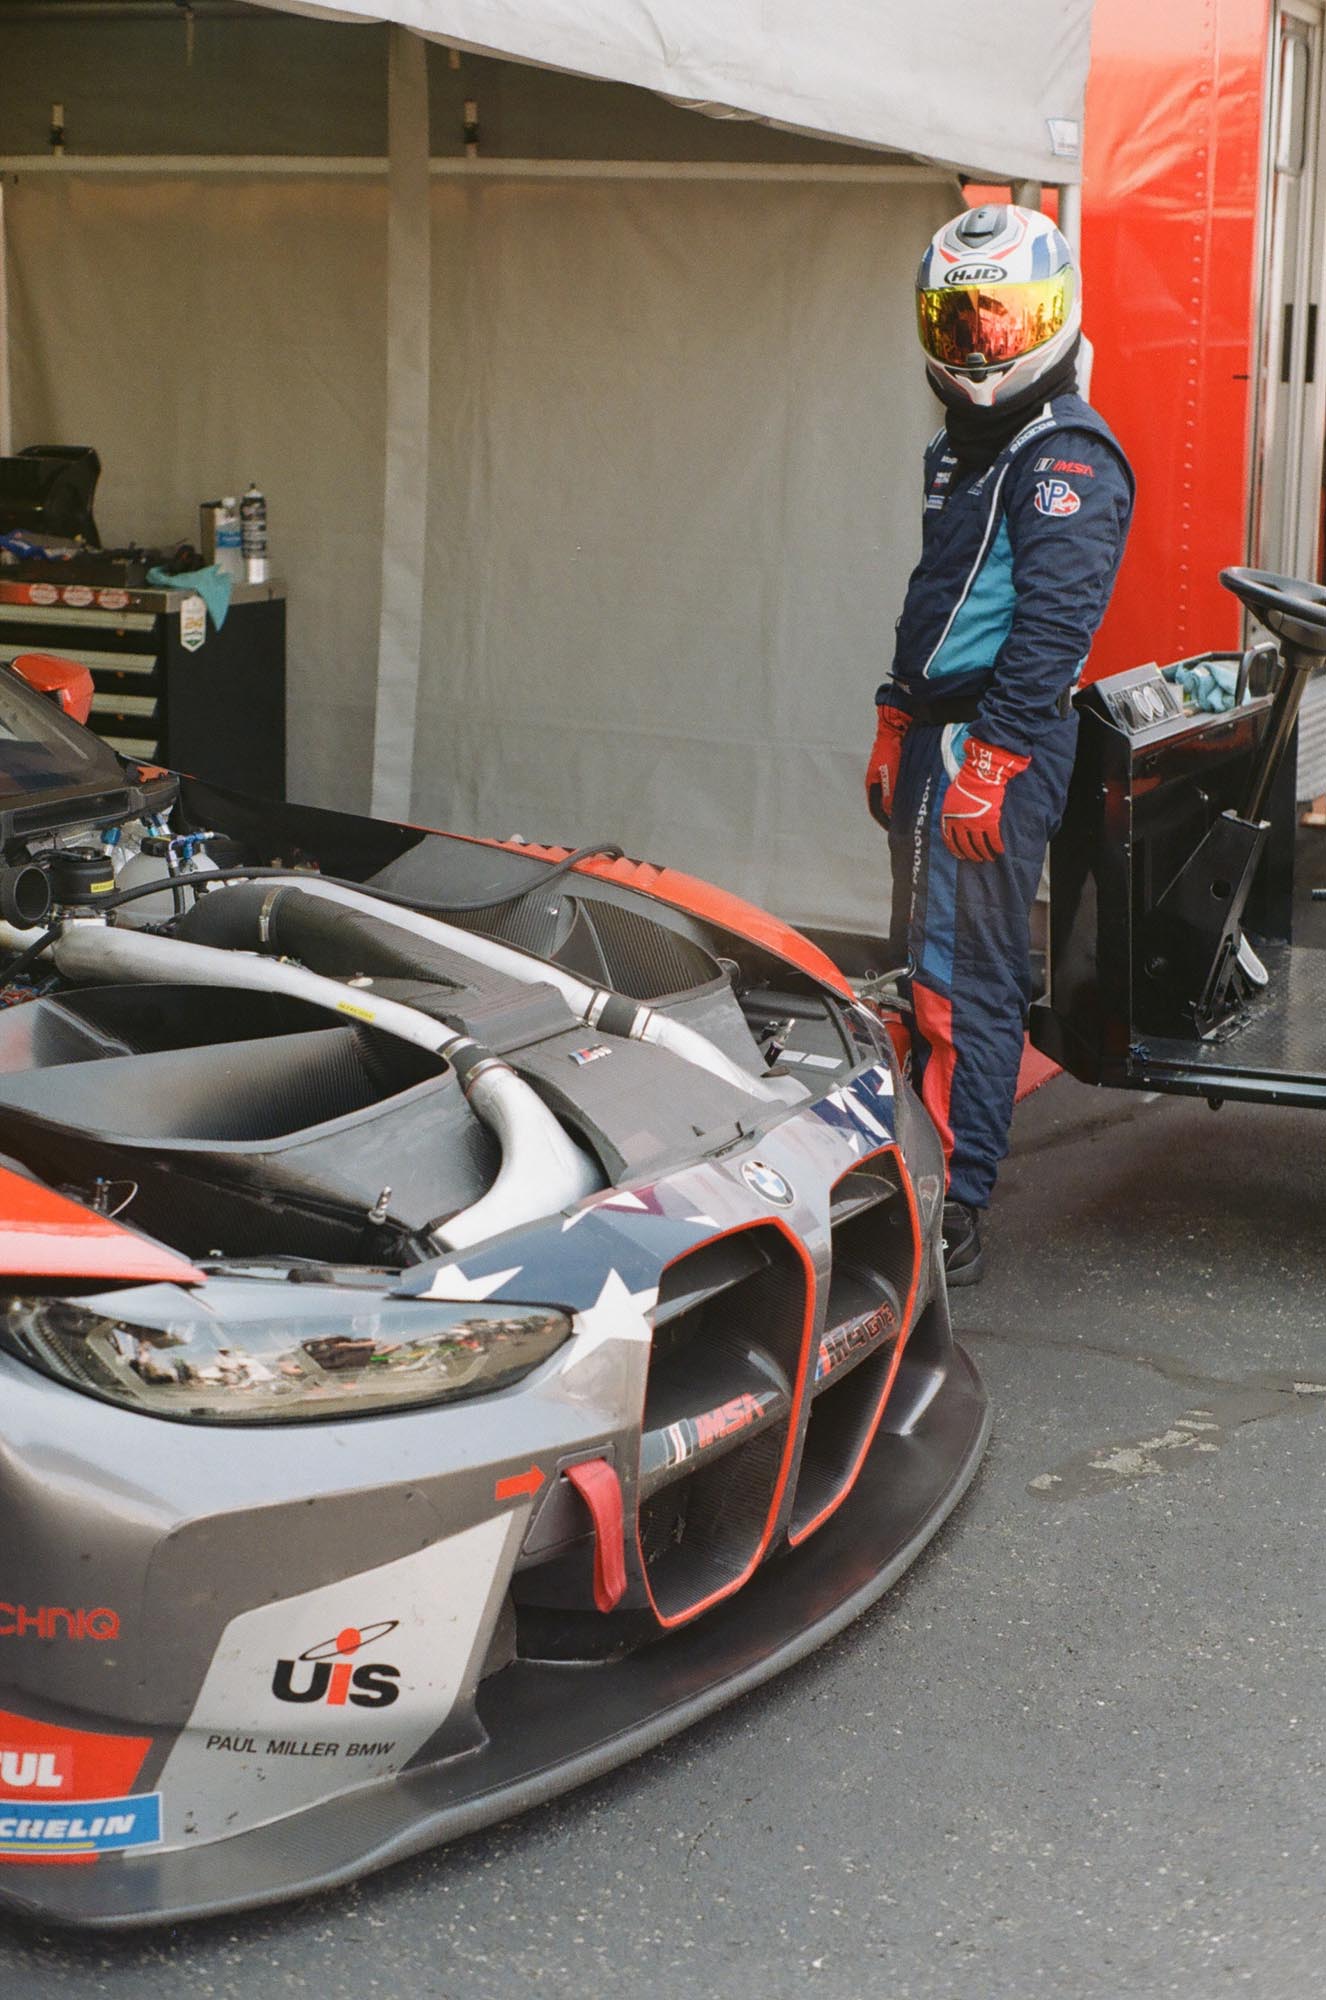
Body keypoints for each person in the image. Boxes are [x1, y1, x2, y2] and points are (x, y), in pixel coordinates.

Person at [866, 204, 1134, 1285]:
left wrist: (996, 757)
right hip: (947, 736)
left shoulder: (1062, 449)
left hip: (993, 744)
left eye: (1001, 319)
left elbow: (1055, 625)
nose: (981, 343)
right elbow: (942, 599)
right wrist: (896, 711)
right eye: (960, 319)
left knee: (957, 981)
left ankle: (954, 1204)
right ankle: (927, 1168)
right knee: (926, 967)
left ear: (1054, 319)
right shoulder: (967, 447)